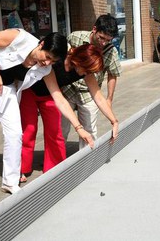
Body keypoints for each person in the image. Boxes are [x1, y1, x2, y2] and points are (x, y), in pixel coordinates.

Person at [0, 29, 94, 202]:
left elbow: (58, 98)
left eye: (52, 61)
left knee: (15, 133)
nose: (47, 62)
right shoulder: (19, 37)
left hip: (5, 87)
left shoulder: (46, 69)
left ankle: (10, 182)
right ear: (41, 44)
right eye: (47, 56)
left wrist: (79, 128)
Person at [19, 44, 119, 182]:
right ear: (79, 62)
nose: (87, 74)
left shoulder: (85, 72)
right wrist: (79, 128)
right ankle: (21, 168)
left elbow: (98, 97)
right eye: (87, 70)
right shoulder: (58, 58)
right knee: (29, 130)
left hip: (51, 94)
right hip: (29, 89)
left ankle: (54, 168)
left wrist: (114, 121)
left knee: (55, 131)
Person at [61, 14, 122, 149]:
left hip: (89, 92)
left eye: (108, 40)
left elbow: (113, 75)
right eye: (101, 38)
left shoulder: (110, 52)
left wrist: (109, 100)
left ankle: (87, 160)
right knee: (61, 129)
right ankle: (57, 161)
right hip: (67, 88)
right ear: (94, 29)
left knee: (89, 130)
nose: (103, 43)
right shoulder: (75, 37)